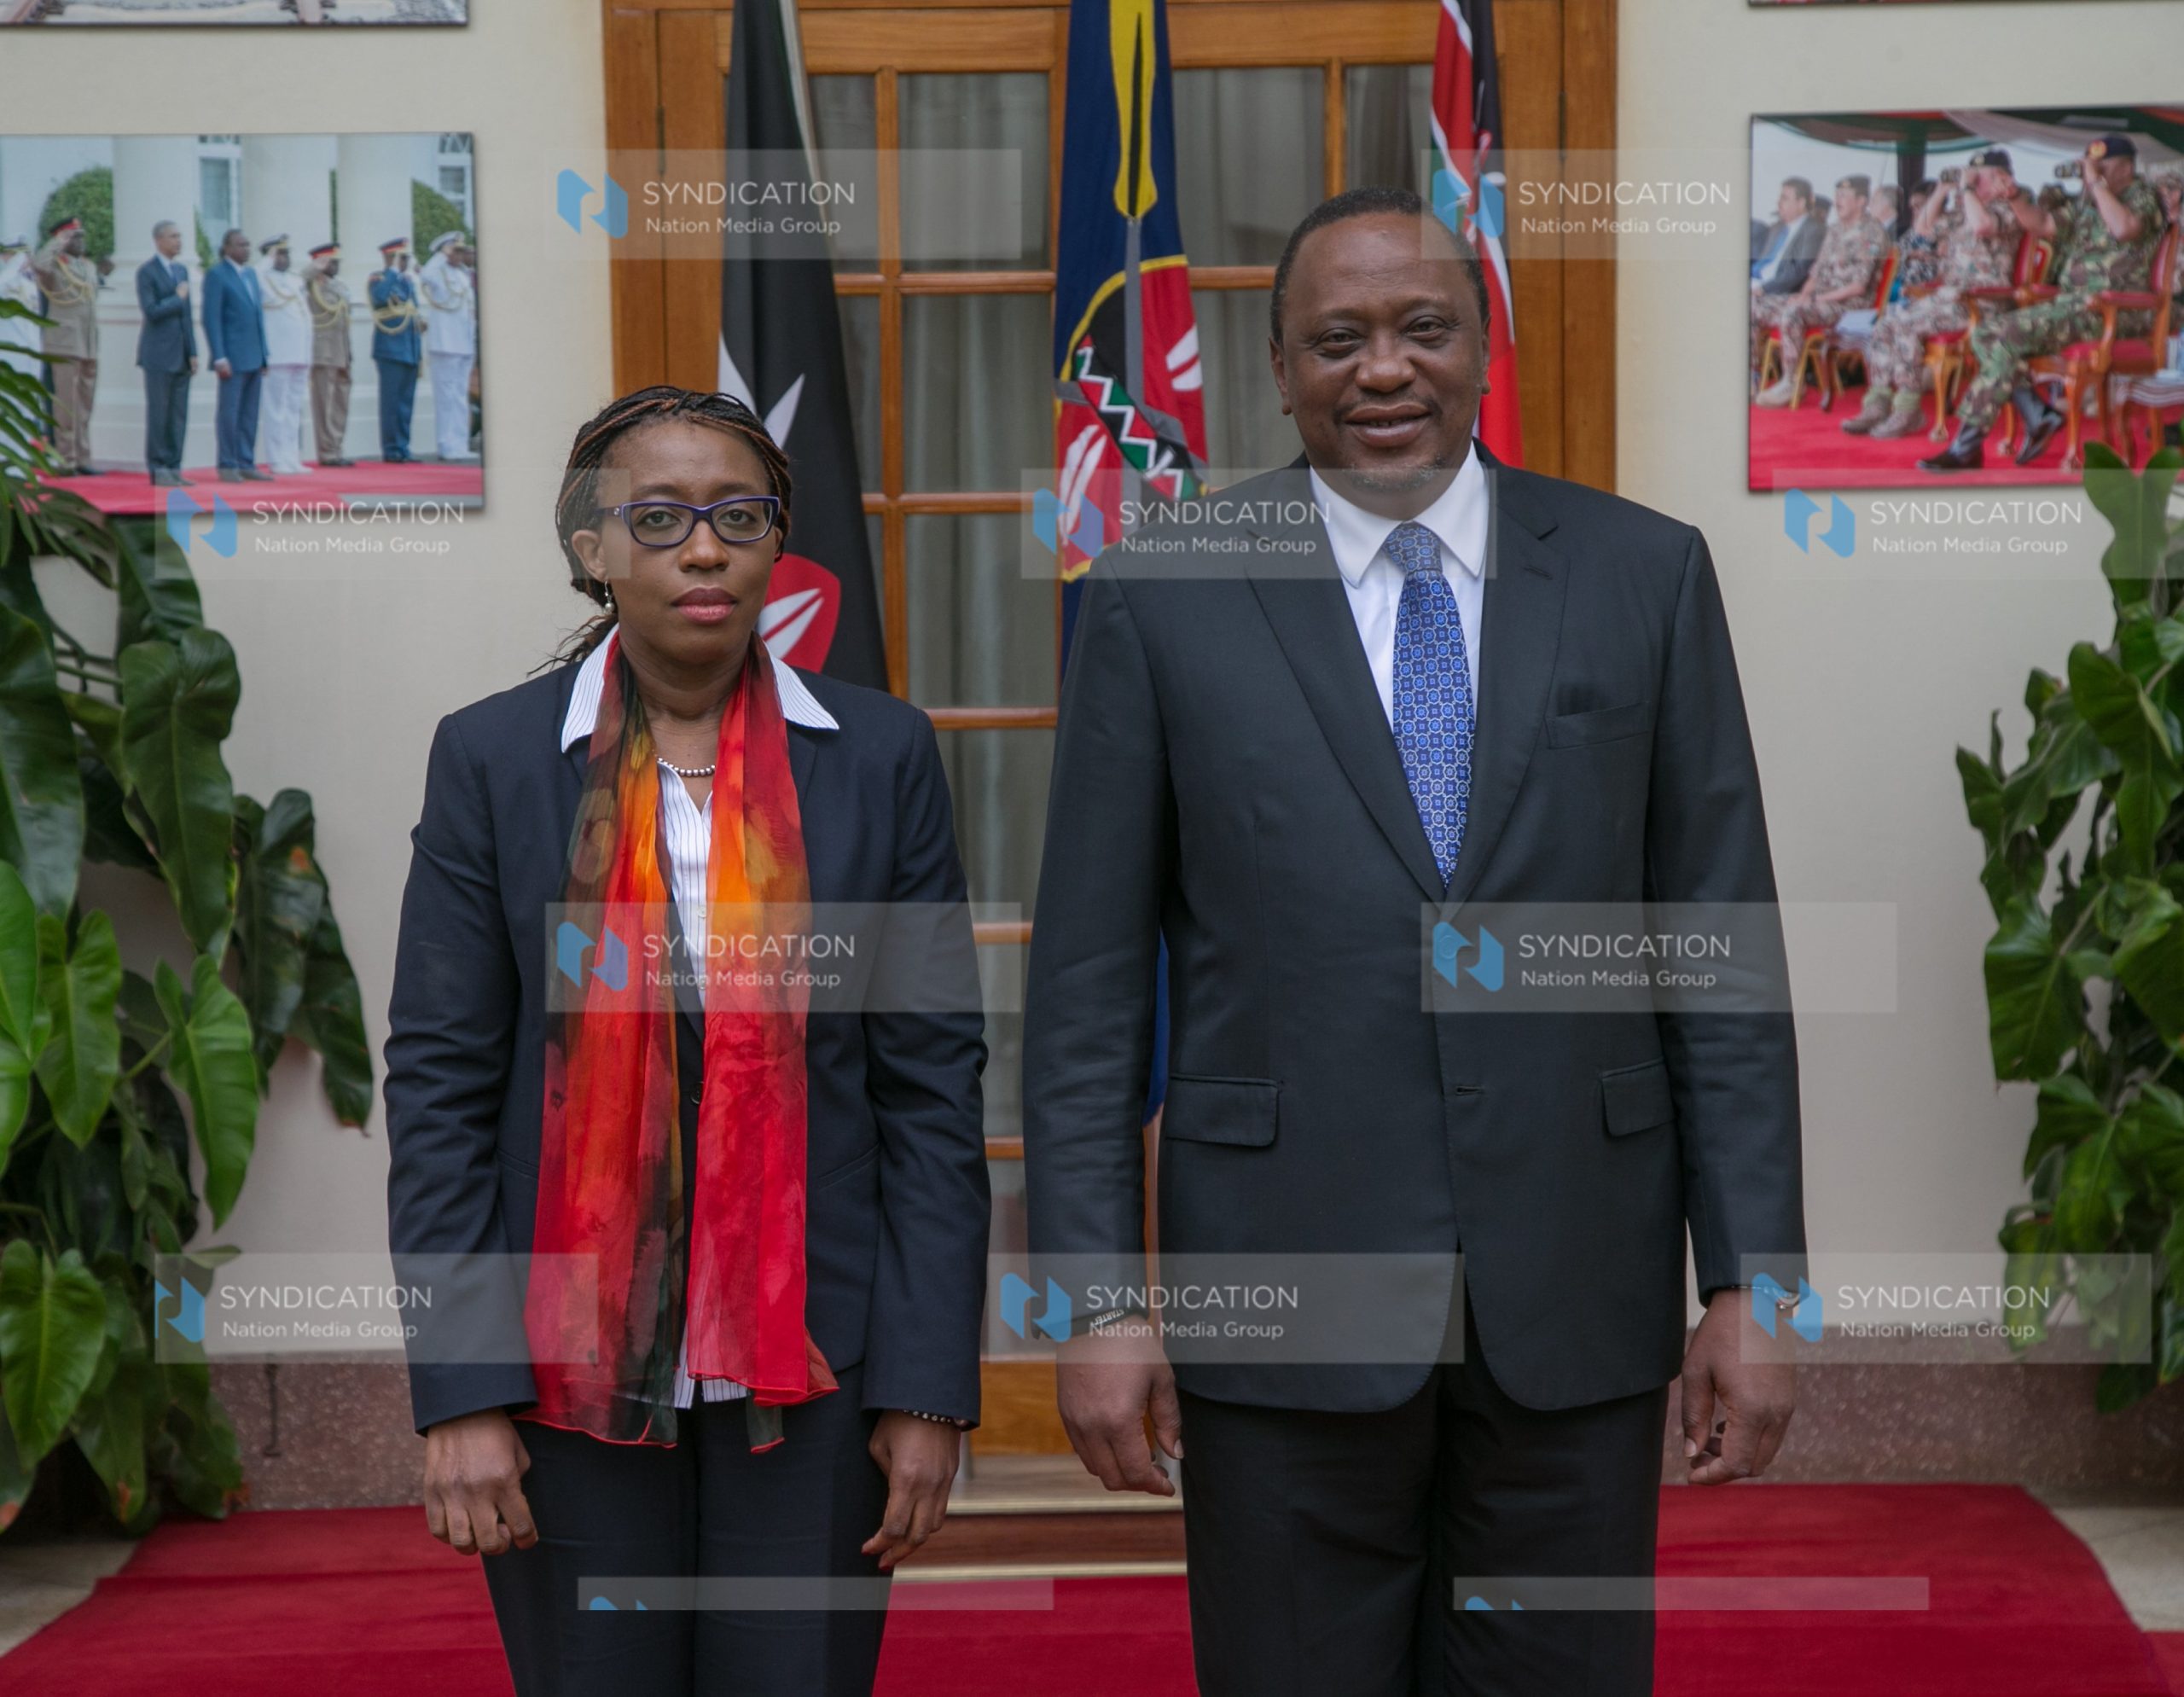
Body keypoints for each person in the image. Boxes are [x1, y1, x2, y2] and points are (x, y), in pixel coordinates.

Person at [1022, 188, 1804, 1697]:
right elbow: (1088, 990)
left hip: (1576, 1278)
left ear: (1483, 341)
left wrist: (1751, 1280)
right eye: (1339, 338)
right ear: (1278, 369)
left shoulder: (1646, 574)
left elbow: (1722, 948)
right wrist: (1098, 1299)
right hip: (1283, 1286)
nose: (1383, 368)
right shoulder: (1158, 590)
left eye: (1423, 327)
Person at [383, 385, 990, 1697]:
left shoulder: (881, 755)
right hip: (562, 1372)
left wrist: (930, 1386)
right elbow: (438, 1084)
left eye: (736, 515)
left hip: (823, 1373)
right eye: (654, 518)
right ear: (588, 546)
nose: (702, 549)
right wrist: (461, 1388)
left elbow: (933, 1088)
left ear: (779, 543)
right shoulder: (491, 759)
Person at [1922, 133, 2165, 472]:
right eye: (2091, 165)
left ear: (2128, 167)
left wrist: (2096, 182)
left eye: (2104, 165)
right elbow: (2044, 224)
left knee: (2006, 335)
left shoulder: (2144, 195)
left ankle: (1968, 444)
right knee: (1986, 334)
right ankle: (2036, 413)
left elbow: (2124, 228)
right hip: (2073, 305)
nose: (2095, 171)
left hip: (2116, 311)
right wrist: (2016, 197)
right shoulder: (2089, 199)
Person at [1844, 151, 2020, 441]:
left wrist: (1966, 189)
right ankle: (1877, 402)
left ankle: (1908, 409)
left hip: (1981, 304)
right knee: (1885, 322)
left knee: (1906, 325)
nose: (1974, 182)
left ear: (2003, 178)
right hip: (1946, 299)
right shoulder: (1962, 212)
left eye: (1982, 177)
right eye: (1972, 176)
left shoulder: (2007, 208)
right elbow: (1922, 229)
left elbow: (1982, 226)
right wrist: (1942, 189)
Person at [1750, 175, 1887, 405]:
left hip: (1850, 306)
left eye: (1844, 196)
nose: (1837, 200)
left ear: (1862, 201)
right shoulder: (1834, 230)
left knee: (1792, 313)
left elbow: (1858, 286)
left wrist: (1816, 299)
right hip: (1819, 300)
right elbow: (1816, 272)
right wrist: (1804, 295)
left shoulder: (1872, 232)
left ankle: (1791, 381)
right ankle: (1751, 376)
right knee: (1752, 306)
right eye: (1837, 194)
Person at [30, 216, 103, 475]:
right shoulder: (56, 267)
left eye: (82, 237)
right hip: (65, 343)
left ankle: (83, 458)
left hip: (88, 342)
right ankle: (65, 459)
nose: (81, 242)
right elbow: (39, 265)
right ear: (64, 239)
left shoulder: (88, 267)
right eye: (75, 237)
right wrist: (56, 243)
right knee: (66, 405)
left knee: (84, 405)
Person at [201, 226, 271, 483]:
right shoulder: (218, 275)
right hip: (231, 357)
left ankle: (246, 461)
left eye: (247, 244)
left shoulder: (251, 275)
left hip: (254, 355)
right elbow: (212, 318)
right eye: (241, 245)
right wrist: (219, 356)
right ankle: (227, 463)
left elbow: (257, 317)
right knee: (230, 413)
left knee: (250, 413)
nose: (246, 249)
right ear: (227, 248)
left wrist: (264, 355)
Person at [134, 219, 197, 487]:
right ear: (159, 240)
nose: (178, 241)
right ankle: (158, 467)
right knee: (159, 413)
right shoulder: (147, 272)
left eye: (179, 236)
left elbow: (187, 316)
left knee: (178, 415)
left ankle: (174, 466)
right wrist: (177, 298)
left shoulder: (181, 270)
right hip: (158, 354)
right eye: (173, 237)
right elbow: (152, 311)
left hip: (181, 354)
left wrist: (192, 351)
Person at [256, 235, 312, 476]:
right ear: (270, 256)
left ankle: (292, 456)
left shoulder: (294, 280)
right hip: (278, 354)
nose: (285, 258)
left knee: (293, 409)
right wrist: (266, 261)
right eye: (280, 253)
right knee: (275, 409)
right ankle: (276, 458)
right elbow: (255, 276)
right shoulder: (263, 278)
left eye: (287, 253)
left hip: (299, 354)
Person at [419, 229, 478, 461]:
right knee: (446, 398)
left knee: (460, 397)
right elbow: (425, 275)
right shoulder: (437, 271)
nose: (459, 255)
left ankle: (460, 443)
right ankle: (447, 444)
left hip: (463, 343)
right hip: (445, 344)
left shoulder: (462, 275)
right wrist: (441, 254)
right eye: (455, 250)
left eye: (461, 250)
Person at [369, 235, 422, 462]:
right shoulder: (378, 279)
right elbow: (380, 299)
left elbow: (413, 311)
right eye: (402, 257)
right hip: (391, 350)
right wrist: (391, 271)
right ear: (390, 258)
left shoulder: (407, 282)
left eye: (406, 257)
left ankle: (403, 447)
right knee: (391, 403)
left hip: (409, 348)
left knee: (406, 402)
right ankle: (391, 449)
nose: (406, 261)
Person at [305, 242, 355, 467]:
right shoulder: (311, 285)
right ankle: (326, 452)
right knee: (324, 404)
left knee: (340, 403)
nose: (336, 266)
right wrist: (315, 268)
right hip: (323, 353)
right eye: (331, 262)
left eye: (336, 262)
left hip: (342, 351)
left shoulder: (338, 286)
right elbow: (300, 278)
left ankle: (336, 448)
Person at [1749, 177, 1823, 293]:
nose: (1779, 202)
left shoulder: (1813, 231)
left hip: (1771, 288)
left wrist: (1763, 289)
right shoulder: (1777, 228)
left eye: (1785, 198)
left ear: (1801, 203)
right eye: (1780, 198)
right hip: (1753, 280)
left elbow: (1798, 271)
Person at [0, 238, 39, 387]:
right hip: (12, 347)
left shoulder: (29, 282)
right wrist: (14, 268)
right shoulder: (6, 279)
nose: (26, 260)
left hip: (31, 345)